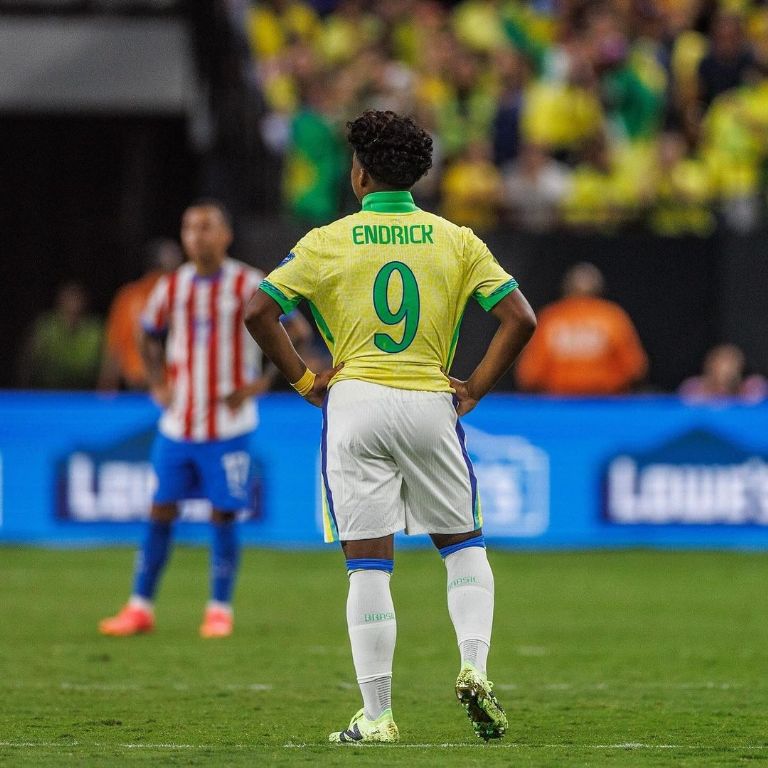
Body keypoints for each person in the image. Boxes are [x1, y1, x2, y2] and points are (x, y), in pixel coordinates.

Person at [244, 110, 536, 743]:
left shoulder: (327, 241)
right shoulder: (457, 240)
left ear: (360, 173)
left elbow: (259, 311)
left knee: (368, 567)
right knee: (463, 545)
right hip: (430, 399)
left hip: (355, 402)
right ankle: (474, 667)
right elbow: (521, 318)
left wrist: (305, 381)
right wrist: (474, 388)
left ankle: (377, 717)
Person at [99, 199, 312, 639]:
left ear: (225, 234)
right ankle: (140, 607)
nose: (197, 236)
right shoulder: (172, 286)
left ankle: (219, 609)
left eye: (206, 227)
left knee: (223, 514)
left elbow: (298, 331)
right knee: (160, 508)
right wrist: (157, 383)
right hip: (178, 424)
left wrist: (262, 383)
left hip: (229, 427)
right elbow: (146, 332)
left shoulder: (248, 282)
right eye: (190, 228)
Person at [515, 262, 647, 395]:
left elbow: (529, 374)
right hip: (604, 401)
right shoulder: (613, 316)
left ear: (566, 289)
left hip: (559, 402)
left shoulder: (550, 318)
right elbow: (635, 369)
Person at [98, 239, 183, 391]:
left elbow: (113, 351)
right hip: (165, 387)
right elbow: (115, 347)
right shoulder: (173, 293)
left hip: (143, 385)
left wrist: (106, 391)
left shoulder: (126, 295)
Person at [17, 281, 103, 390]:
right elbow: (27, 360)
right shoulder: (46, 326)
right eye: (69, 298)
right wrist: (22, 388)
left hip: (83, 392)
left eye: (77, 299)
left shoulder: (95, 329)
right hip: (46, 392)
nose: (73, 304)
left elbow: (107, 364)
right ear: (59, 301)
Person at [679, 343, 767, 403]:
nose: (725, 371)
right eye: (720, 365)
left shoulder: (752, 387)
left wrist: (735, 391)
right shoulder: (695, 388)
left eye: (731, 365)